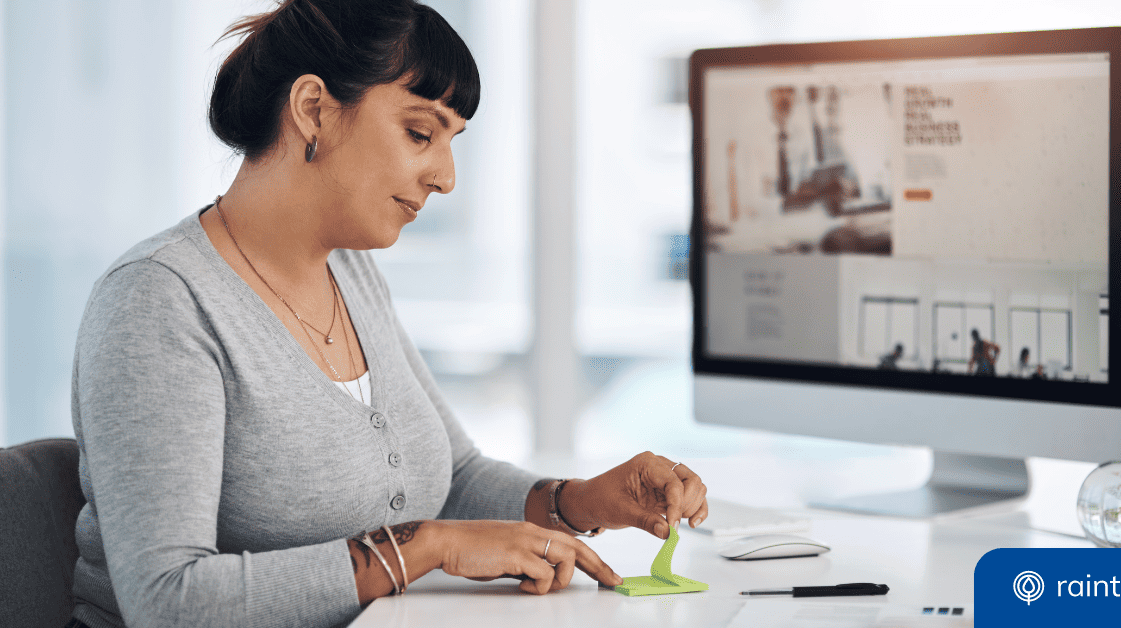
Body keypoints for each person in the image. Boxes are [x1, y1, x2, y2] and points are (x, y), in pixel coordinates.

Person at [66, 2, 708, 627]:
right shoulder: (157, 302)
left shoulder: (349, 273)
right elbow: (167, 601)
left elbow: (452, 478)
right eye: (420, 132)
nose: (447, 177)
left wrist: (582, 499)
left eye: (451, 142)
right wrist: (420, 548)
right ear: (312, 109)